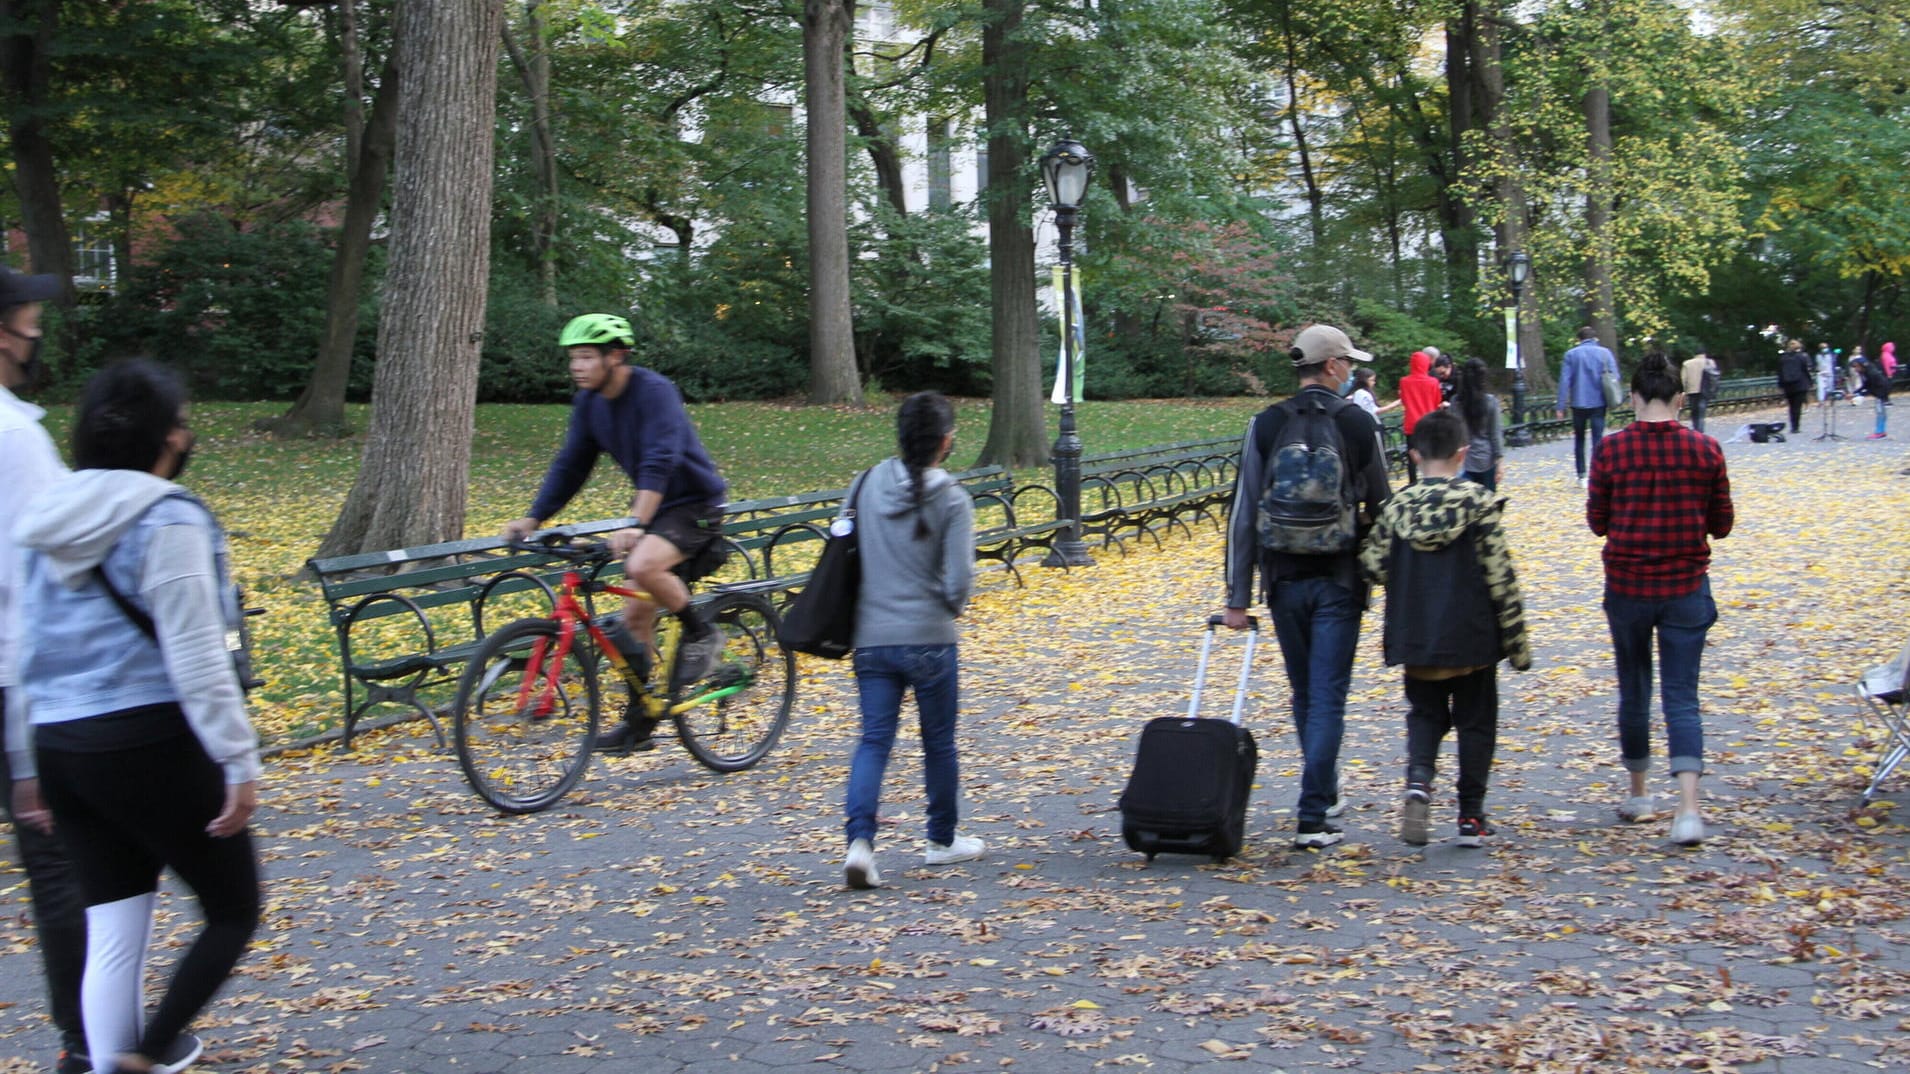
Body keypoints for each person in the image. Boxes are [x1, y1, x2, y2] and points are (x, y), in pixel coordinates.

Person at [11, 358, 261, 1074]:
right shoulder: (169, 516)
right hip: (149, 738)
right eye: (182, 425)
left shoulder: (45, 517)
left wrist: (30, 764)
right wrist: (239, 760)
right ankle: (147, 1055)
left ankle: (101, 1061)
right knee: (233, 909)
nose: (186, 437)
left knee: (115, 924)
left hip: (61, 747)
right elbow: (197, 654)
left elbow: (25, 642)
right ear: (164, 438)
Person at [503, 313, 730, 755]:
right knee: (634, 618)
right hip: (656, 510)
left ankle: (703, 635)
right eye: (573, 358)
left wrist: (635, 524)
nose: (577, 366)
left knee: (640, 564)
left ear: (616, 356)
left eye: (586, 356)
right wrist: (532, 519)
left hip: (695, 505)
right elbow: (571, 465)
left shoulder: (654, 392)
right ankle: (640, 720)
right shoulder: (590, 404)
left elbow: (660, 459)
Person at [1223, 324, 1392, 848]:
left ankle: (1323, 790)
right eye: (1347, 363)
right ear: (1334, 367)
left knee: (1305, 692)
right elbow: (1384, 506)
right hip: (1340, 580)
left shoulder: (1266, 424)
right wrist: (1389, 577)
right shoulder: (1360, 424)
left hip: (1283, 579)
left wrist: (1237, 597)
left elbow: (1243, 510)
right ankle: (1315, 813)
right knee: (1328, 696)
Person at [1360, 409, 1531, 848]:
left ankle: (1418, 782)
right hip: (1472, 639)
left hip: (1416, 636)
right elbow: (1500, 577)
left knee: (1424, 715)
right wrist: (1517, 645)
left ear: (1414, 455)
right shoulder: (1479, 503)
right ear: (1463, 454)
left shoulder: (1396, 507)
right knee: (1477, 722)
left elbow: (1373, 567)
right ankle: (1470, 815)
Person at [0, 266, 91, 1074]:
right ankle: (86, 1039)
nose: (37, 336)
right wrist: (31, 756)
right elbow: (42, 583)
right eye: (30, 321)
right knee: (59, 858)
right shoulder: (15, 439)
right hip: (13, 685)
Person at [1587, 352, 1733, 846]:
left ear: (1632, 399)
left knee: (1634, 687)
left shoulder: (1610, 451)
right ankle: (1688, 809)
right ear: (1680, 399)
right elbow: (1723, 524)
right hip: (1686, 587)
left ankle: (1639, 791)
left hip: (1627, 587)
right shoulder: (1706, 449)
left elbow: (1597, 522)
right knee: (1682, 695)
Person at [841, 392, 980, 889]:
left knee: (873, 740)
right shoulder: (953, 498)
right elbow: (961, 581)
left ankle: (860, 843)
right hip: (930, 638)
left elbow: (843, 546)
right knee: (938, 743)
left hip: (872, 638)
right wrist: (947, 608)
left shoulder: (865, 482)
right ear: (945, 442)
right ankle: (941, 840)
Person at [1556, 327, 1620, 488]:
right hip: (1599, 402)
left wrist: (1561, 405)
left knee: (1579, 439)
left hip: (1578, 402)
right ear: (1595, 338)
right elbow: (1615, 376)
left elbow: (1565, 381)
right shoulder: (1605, 353)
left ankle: (1581, 475)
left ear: (1579, 339)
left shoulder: (1571, 354)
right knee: (1598, 439)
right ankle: (1597, 473)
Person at [1452, 357, 1505, 491]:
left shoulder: (1455, 402)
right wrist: (1500, 461)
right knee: (1487, 502)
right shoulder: (1490, 402)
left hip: (1462, 459)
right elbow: (1495, 434)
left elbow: (1452, 432)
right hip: (1486, 458)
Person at [1397, 351, 1443, 485]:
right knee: (1430, 455)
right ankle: (1431, 481)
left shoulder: (1404, 382)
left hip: (1411, 425)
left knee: (1412, 457)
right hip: (1429, 424)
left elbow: (1404, 401)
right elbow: (1437, 401)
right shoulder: (1433, 382)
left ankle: (1413, 483)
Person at [1776, 339, 1812, 434]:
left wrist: (1780, 385)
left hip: (1788, 385)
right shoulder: (1802, 357)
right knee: (1797, 406)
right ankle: (1796, 427)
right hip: (1800, 384)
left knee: (1791, 406)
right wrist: (1810, 382)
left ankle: (1792, 425)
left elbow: (1780, 373)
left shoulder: (1783, 358)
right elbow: (1806, 371)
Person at [1681, 349, 1719, 434]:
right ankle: (1700, 431)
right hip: (1705, 390)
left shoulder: (1687, 363)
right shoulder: (1710, 362)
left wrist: (1683, 391)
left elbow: (1684, 379)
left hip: (1692, 391)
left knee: (1694, 411)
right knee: (1701, 412)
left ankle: (1696, 429)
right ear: (1704, 353)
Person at [1856, 354, 1891, 439]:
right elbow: (1866, 385)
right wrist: (1856, 392)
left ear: (1862, 365)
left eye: (1857, 366)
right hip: (1880, 391)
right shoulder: (1867, 372)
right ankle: (1881, 431)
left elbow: (1871, 387)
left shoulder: (1872, 373)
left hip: (1881, 391)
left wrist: (1860, 394)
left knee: (1880, 412)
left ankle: (1879, 431)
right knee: (1881, 412)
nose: (1856, 369)